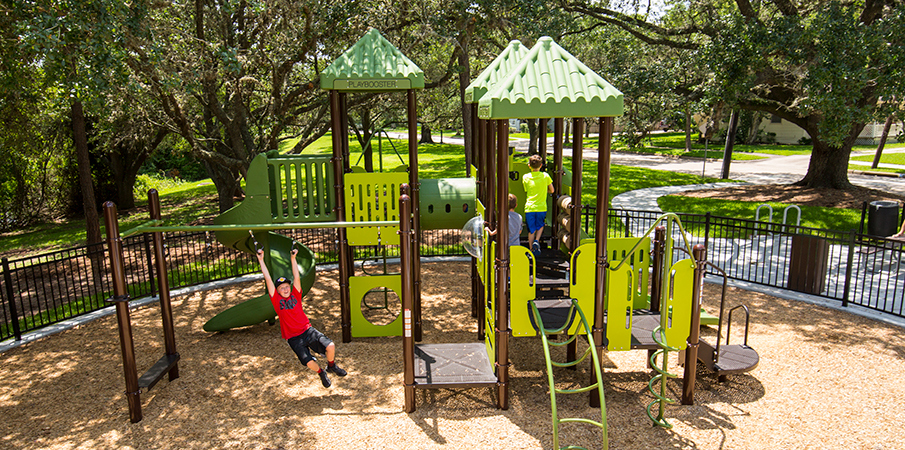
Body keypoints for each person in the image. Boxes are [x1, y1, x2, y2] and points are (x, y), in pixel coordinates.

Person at [256, 247, 347, 388]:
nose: (285, 289)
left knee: (331, 346)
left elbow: (296, 276)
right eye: (281, 288)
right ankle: (321, 372)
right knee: (309, 362)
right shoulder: (276, 300)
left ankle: (331, 365)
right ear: (277, 291)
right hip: (293, 337)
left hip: (307, 330)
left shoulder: (296, 294)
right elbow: (267, 278)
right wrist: (261, 260)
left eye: (287, 286)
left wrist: (293, 259)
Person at [521, 154, 554, 255]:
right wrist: (545, 191)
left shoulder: (525, 177)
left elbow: (526, 190)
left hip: (530, 207)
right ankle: (537, 240)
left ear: (529, 165)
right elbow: (552, 190)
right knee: (540, 226)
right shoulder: (545, 176)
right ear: (541, 166)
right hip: (541, 207)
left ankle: (531, 249)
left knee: (531, 230)